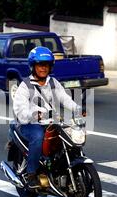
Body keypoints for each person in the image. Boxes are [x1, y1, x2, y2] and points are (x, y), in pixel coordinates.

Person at [13, 46, 82, 188]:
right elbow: (20, 111)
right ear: (33, 66)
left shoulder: (53, 83)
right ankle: (31, 174)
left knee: (69, 137)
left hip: (51, 122)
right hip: (29, 124)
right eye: (40, 65)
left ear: (50, 67)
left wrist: (77, 108)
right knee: (38, 136)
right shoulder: (25, 86)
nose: (43, 68)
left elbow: (65, 99)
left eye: (46, 65)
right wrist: (34, 115)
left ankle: (65, 168)